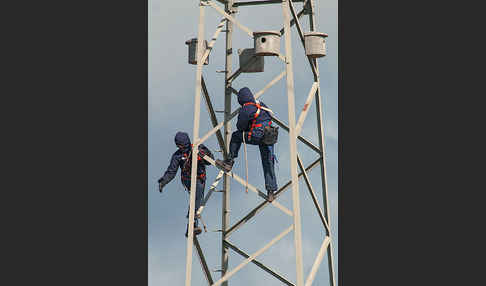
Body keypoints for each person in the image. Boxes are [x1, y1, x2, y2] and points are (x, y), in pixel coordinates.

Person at [216, 87, 278, 202]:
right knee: (268, 162)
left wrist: (248, 126)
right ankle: (271, 192)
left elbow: (240, 127)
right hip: (270, 135)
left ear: (241, 99)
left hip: (257, 136)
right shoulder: (261, 104)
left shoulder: (246, 109)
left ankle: (229, 162)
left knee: (236, 136)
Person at [158, 131, 214, 237]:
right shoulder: (177, 156)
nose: (179, 147)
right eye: (178, 145)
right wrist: (163, 181)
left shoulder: (198, 148)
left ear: (185, 143)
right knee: (196, 198)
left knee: (197, 199)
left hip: (199, 178)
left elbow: (211, 161)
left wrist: (203, 155)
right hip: (188, 180)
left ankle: (191, 225)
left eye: (181, 145)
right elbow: (171, 171)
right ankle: (192, 224)